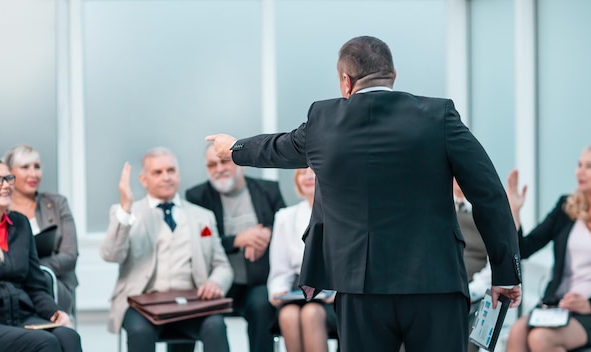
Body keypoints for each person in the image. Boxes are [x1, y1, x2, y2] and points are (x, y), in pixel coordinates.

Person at [206, 35, 522, 352]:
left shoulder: (323, 122)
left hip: (360, 288)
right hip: (435, 284)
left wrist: (234, 149)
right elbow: (490, 194)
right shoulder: (438, 116)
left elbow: (277, 149)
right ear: (393, 75)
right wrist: (505, 274)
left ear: (346, 82)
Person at [100, 147, 233, 352]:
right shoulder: (127, 214)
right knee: (139, 331)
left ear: (179, 174)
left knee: (215, 325)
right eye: (157, 172)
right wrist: (125, 209)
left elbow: (222, 266)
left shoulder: (202, 216)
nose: (166, 177)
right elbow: (111, 255)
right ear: (143, 180)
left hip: (192, 303)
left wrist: (215, 282)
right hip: (142, 305)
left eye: (171, 170)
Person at [0, 159, 82, 352]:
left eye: (8, 179)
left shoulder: (20, 224)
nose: (5, 185)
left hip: (21, 317)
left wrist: (54, 312)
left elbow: (35, 283)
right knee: (45, 342)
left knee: (69, 336)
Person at [185, 143, 285, 352]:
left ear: (242, 164)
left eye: (224, 161)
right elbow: (195, 244)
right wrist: (238, 239)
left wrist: (268, 233)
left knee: (261, 306)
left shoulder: (268, 190)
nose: (219, 169)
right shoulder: (197, 197)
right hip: (215, 282)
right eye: (212, 165)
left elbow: (285, 228)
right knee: (208, 321)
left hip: (257, 281)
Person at [506, 146, 591, 352]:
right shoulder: (566, 208)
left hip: (586, 311)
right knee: (517, 331)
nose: (578, 172)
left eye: (588, 167)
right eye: (579, 165)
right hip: (556, 304)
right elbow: (524, 249)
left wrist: (588, 305)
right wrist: (514, 213)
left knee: (540, 338)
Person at [4, 144, 79, 316]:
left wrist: (33, 269)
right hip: (12, 283)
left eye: (37, 167)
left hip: (54, 282)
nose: (33, 174)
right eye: (25, 167)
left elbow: (70, 255)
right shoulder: (0, 207)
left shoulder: (57, 204)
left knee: (43, 281)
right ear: (8, 172)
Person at [268, 167, 337, 352]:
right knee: (288, 315)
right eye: (302, 171)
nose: (307, 175)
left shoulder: (342, 215)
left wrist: (336, 291)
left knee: (311, 314)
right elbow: (280, 269)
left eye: (314, 170)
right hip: (297, 292)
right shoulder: (284, 217)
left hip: (334, 295)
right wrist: (278, 290)